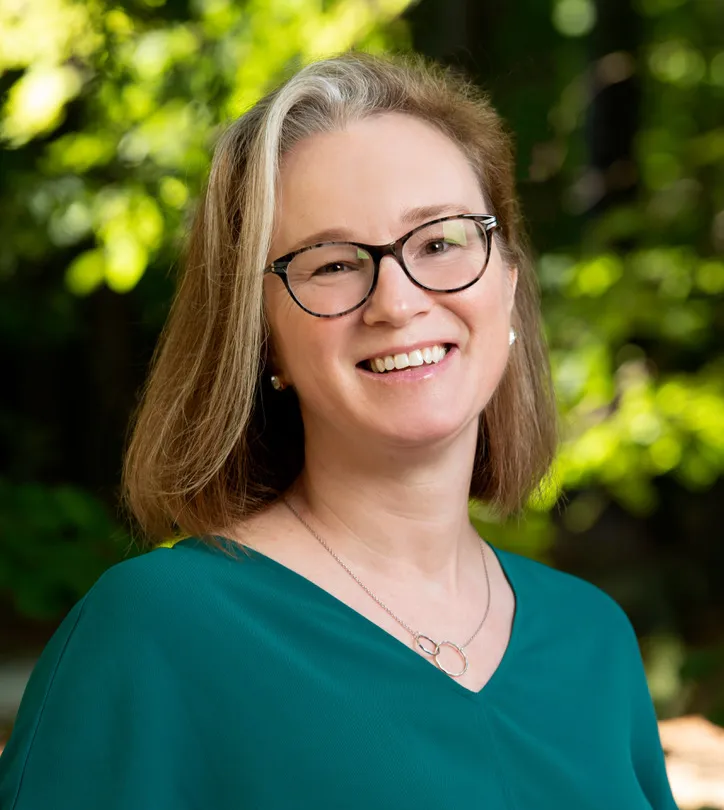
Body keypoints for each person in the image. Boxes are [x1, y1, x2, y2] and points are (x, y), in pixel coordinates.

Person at [0, 52, 679, 809]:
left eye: (441, 242)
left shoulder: (593, 640)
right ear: (260, 336)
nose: (397, 300)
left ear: (509, 283)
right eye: (331, 265)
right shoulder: (156, 631)